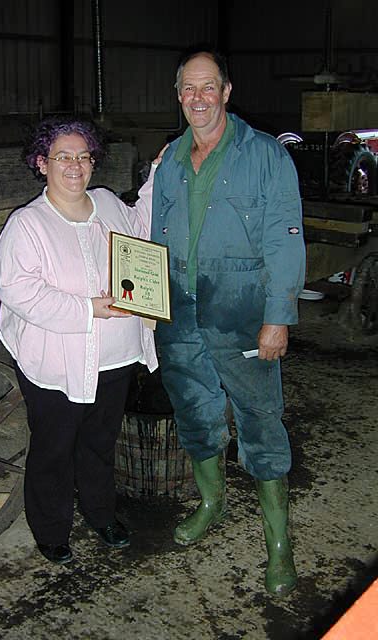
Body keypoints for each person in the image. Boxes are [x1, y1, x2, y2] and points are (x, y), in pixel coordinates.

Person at [151, 48, 306, 596]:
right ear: (179, 95)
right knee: (194, 412)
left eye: (207, 87)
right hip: (179, 312)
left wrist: (278, 317)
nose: (197, 98)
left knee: (261, 421)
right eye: (188, 89)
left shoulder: (264, 154)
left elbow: (285, 237)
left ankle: (279, 545)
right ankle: (212, 502)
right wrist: (148, 300)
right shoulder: (170, 159)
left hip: (241, 312)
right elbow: (154, 237)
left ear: (226, 92)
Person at [0, 116, 164, 564]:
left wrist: (156, 178)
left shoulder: (108, 203)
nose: (75, 165)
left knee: (99, 442)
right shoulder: (27, 225)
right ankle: (51, 529)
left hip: (114, 357)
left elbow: (141, 228)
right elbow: (19, 292)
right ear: (41, 163)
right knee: (54, 448)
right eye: (63, 157)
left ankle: (100, 512)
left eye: (83, 156)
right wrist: (89, 307)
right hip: (56, 363)